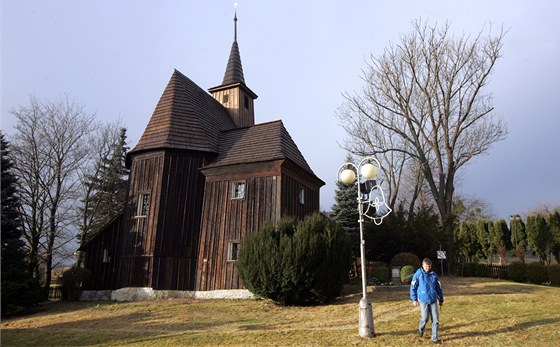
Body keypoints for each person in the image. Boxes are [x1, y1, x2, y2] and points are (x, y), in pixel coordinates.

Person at [410, 258, 444, 344]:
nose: (427, 268)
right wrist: (414, 299)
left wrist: (440, 299)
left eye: (429, 266)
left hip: (433, 300)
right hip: (423, 300)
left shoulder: (434, 275)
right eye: (426, 267)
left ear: (431, 266)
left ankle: (434, 339)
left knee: (435, 320)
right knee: (425, 318)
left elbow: (438, 288)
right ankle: (421, 329)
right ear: (423, 266)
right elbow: (413, 287)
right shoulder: (418, 274)